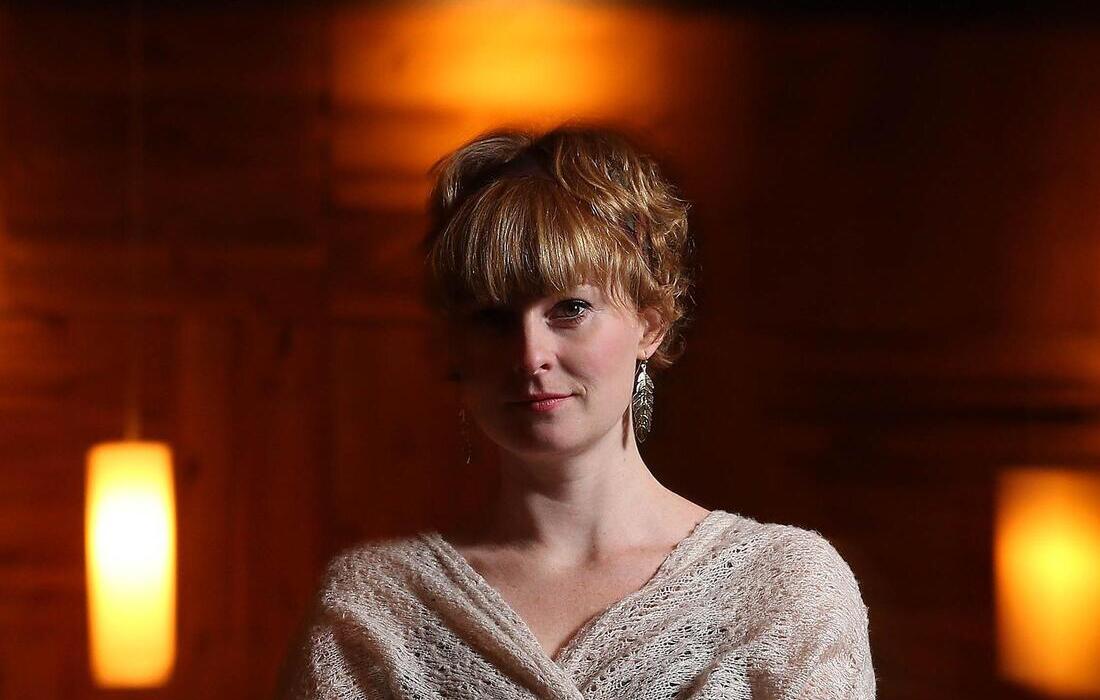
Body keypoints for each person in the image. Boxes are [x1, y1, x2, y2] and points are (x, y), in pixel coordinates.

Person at [276, 125, 876, 699]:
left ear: (650, 324)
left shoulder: (783, 590)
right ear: (456, 345)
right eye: (492, 318)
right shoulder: (372, 611)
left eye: (570, 308)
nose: (529, 355)